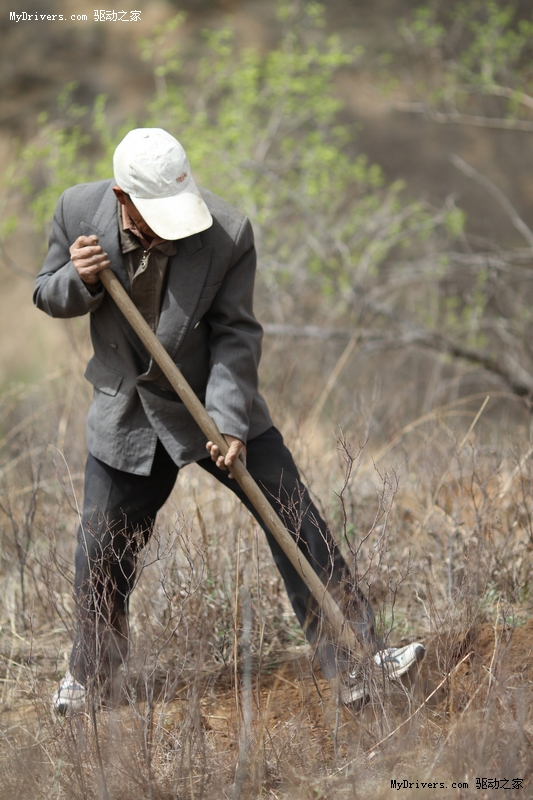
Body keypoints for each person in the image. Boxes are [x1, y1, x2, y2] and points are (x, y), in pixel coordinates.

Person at [34, 128, 424, 714]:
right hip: (127, 411)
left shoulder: (226, 232)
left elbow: (236, 335)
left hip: (210, 401)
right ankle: (91, 679)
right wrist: (81, 278)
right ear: (122, 198)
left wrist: (231, 421)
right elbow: (46, 293)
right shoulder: (77, 209)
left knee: (296, 520)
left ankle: (362, 659)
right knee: (101, 548)